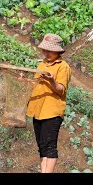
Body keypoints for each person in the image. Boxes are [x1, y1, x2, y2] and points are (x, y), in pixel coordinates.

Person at [26, 33, 71, 173]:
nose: (46, 53)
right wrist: (22, 79)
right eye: (44, 50)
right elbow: (36, 84)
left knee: (50, 146)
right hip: (37, 110)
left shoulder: (63, 66)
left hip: (52, 111)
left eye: (49, 50)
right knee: (42, 146)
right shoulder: (42, 64)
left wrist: (51, 80)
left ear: (57, 51)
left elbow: (60, 90)